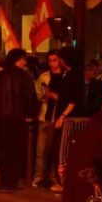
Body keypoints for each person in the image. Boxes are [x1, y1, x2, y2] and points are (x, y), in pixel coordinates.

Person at [0, 48, 39, 190]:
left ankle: (5, 181)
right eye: (23, 59)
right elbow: (31, 98)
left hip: (0, 120)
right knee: (15, 150)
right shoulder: (25, 77)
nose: (25, 62)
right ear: (18, 60)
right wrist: (31, 114)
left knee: (2, 150)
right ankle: (13, 181)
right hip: (17, 119)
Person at [48, 47, 83, 192]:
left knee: (63, 149)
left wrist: (62, 117)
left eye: (61, 58)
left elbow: (73, 100)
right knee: (58, 148)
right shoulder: (67, 74)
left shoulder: (74, 76)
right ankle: (62, 181)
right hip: (63, 116)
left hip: (68, 119)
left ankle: (64, 182)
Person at [33, 50, 65, 188]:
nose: (52, 63)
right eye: (50, 60)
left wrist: (54, 96)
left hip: (59, 117)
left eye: (55, 60)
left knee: (55, 150)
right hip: (44, 115)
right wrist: (43, 97)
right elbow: (37, 94)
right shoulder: (44, 77)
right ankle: (39, 176)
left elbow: (67, 98)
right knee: (41, 150)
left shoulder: (65, 76)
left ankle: (54, 176)